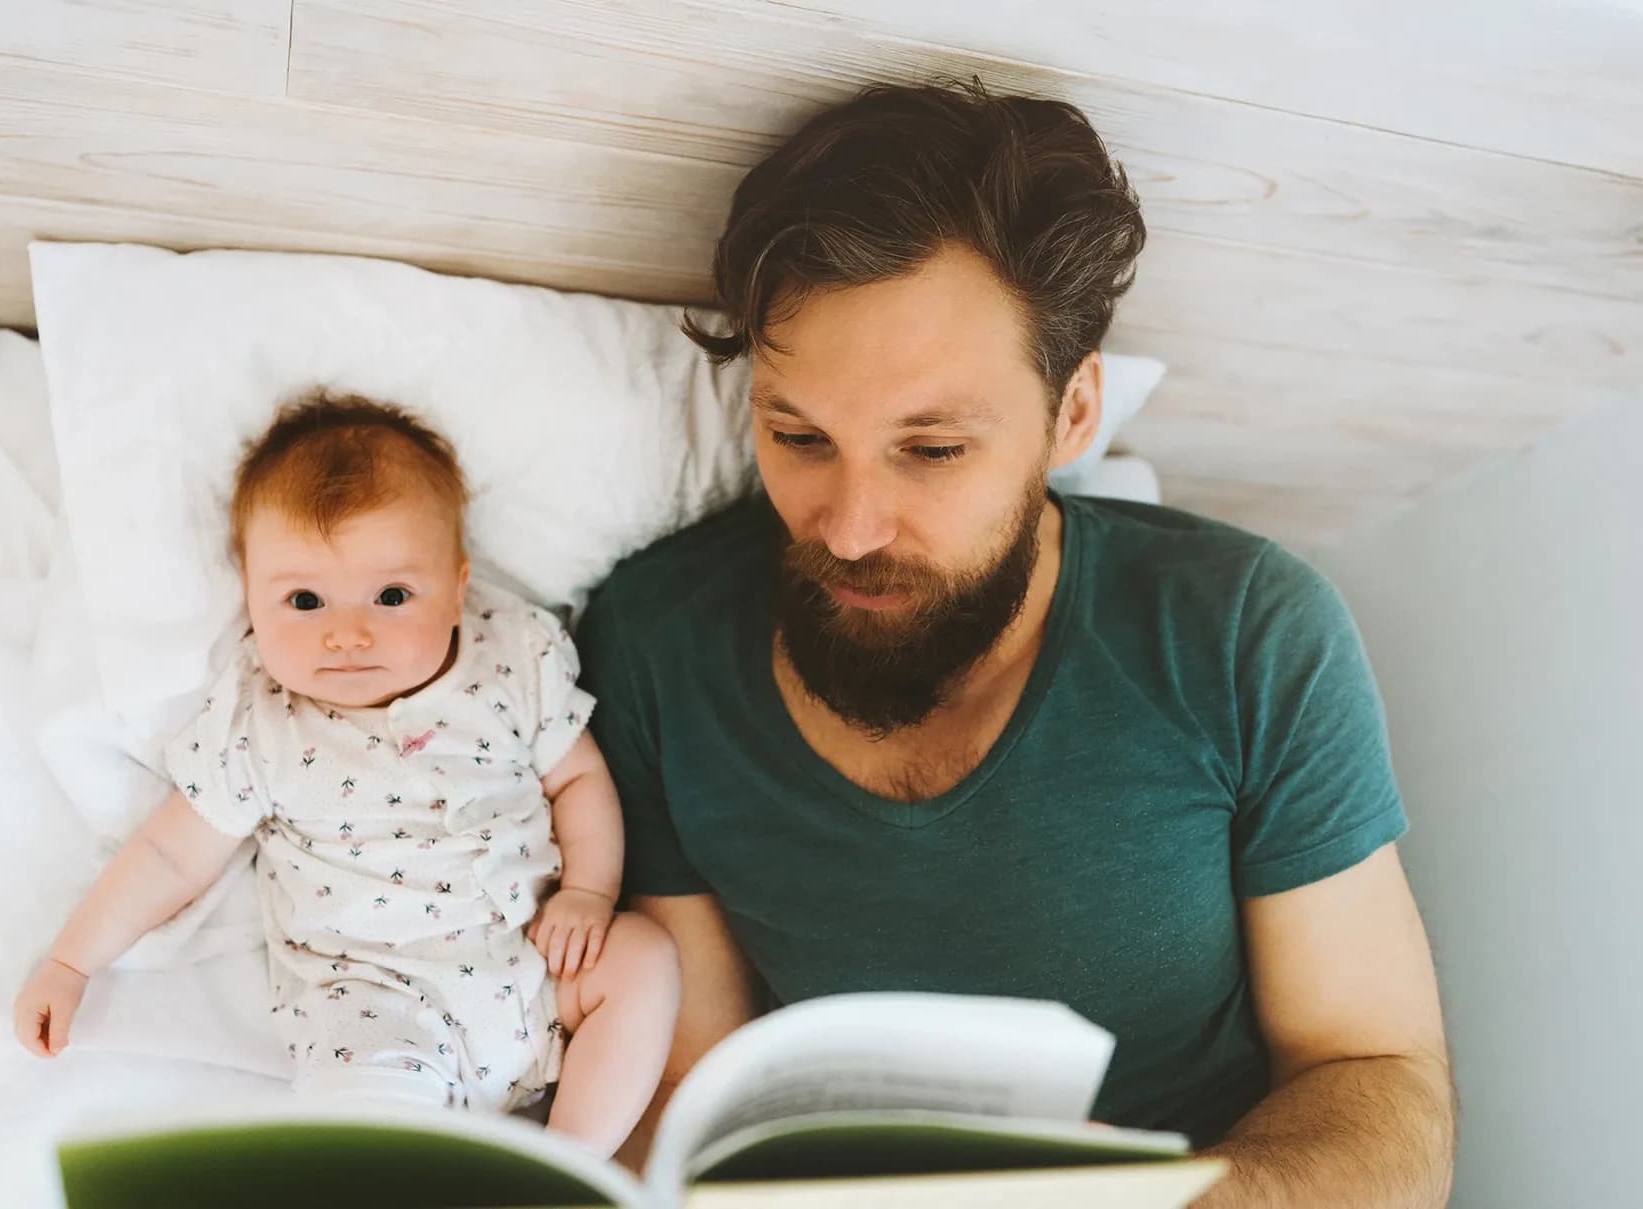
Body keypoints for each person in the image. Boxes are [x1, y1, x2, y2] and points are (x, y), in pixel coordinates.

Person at [579, 78, 1455, 1204]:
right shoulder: (660, 646)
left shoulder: (1241, 632)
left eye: (931, 450)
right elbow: (691, 1085)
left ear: (1072, 415)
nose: (845, 530)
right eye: (797, 436)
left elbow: (1375, 1074)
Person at [13, 393, 678, 1157]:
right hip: (373, 1002)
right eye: (303, 599)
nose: (347, 632)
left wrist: (591, 893)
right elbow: (168, 855)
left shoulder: (511, 657)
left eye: (392, 595)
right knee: (358, 1110)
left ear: (458, 588)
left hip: (535, 966)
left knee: (646, 960)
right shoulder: (261, 719)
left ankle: (572, 1161)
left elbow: (579, 783)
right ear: (252, 600)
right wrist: (71, 961)